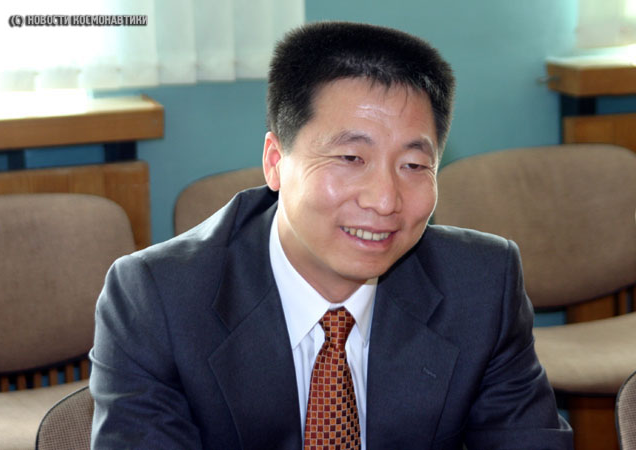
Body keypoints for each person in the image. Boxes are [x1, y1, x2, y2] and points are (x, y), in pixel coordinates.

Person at [89, 21, 573, 449]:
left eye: (413, 165)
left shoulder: (481, 285)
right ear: (275, 162)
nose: (384, 200)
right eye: (350, 158)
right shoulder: (158, 299)